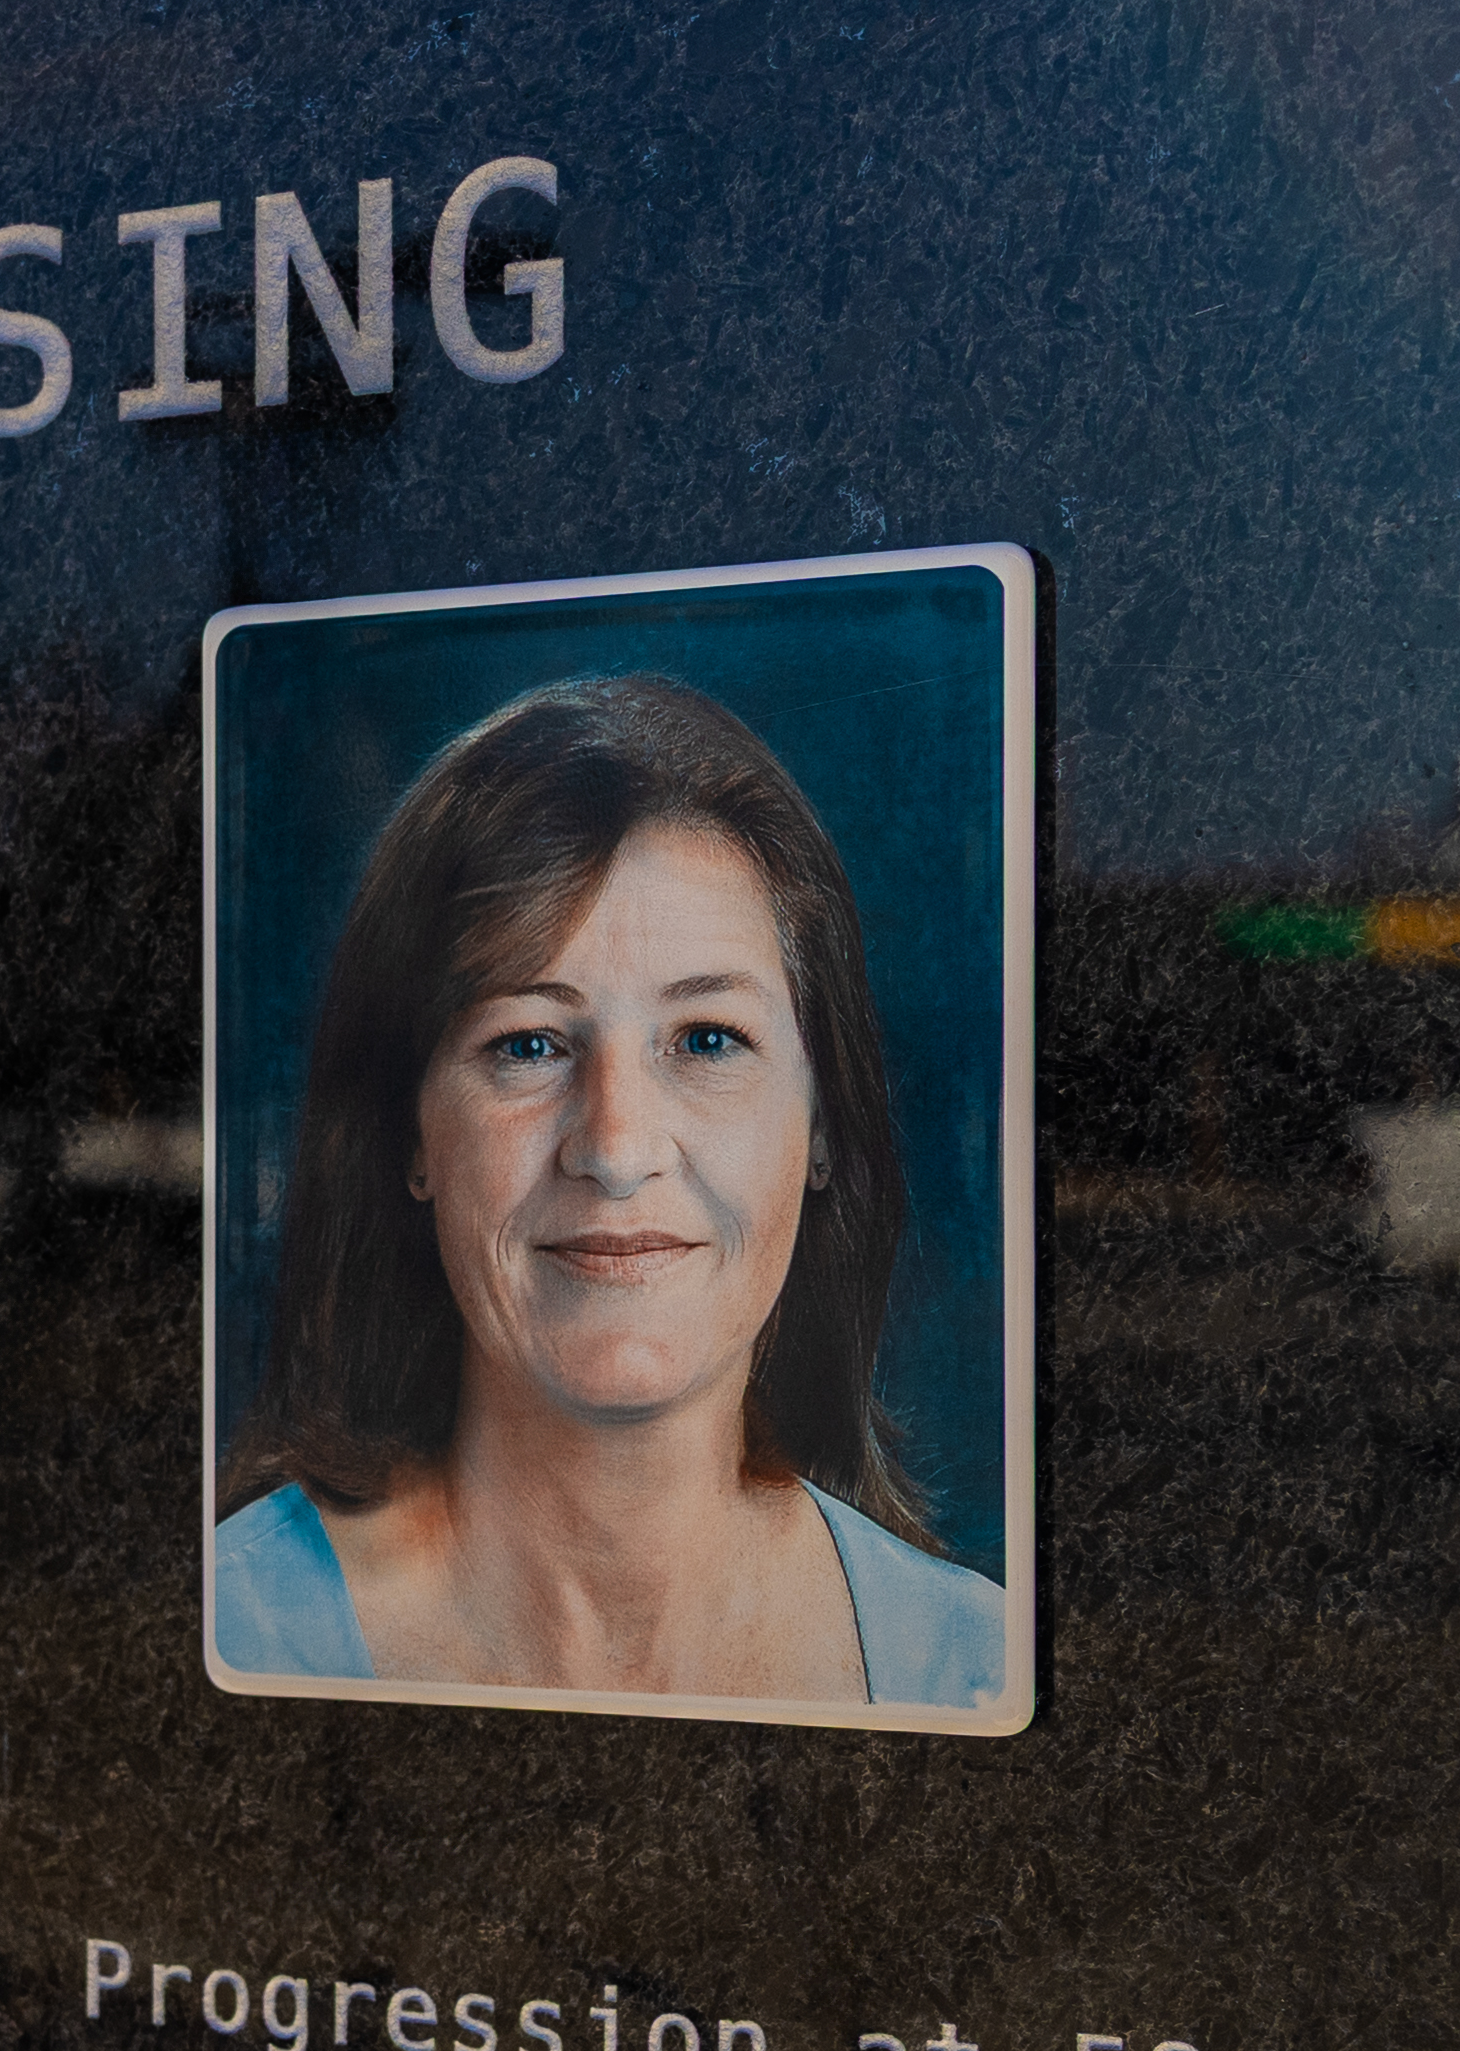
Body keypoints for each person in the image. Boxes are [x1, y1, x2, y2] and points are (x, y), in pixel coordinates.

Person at [210, 670, 1005, 1714]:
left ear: (822, 1126)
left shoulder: (974, 1665)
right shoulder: (223, 1628)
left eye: (707, 1038)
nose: (618, 1148)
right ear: (409, 1136)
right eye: (527, 1044)